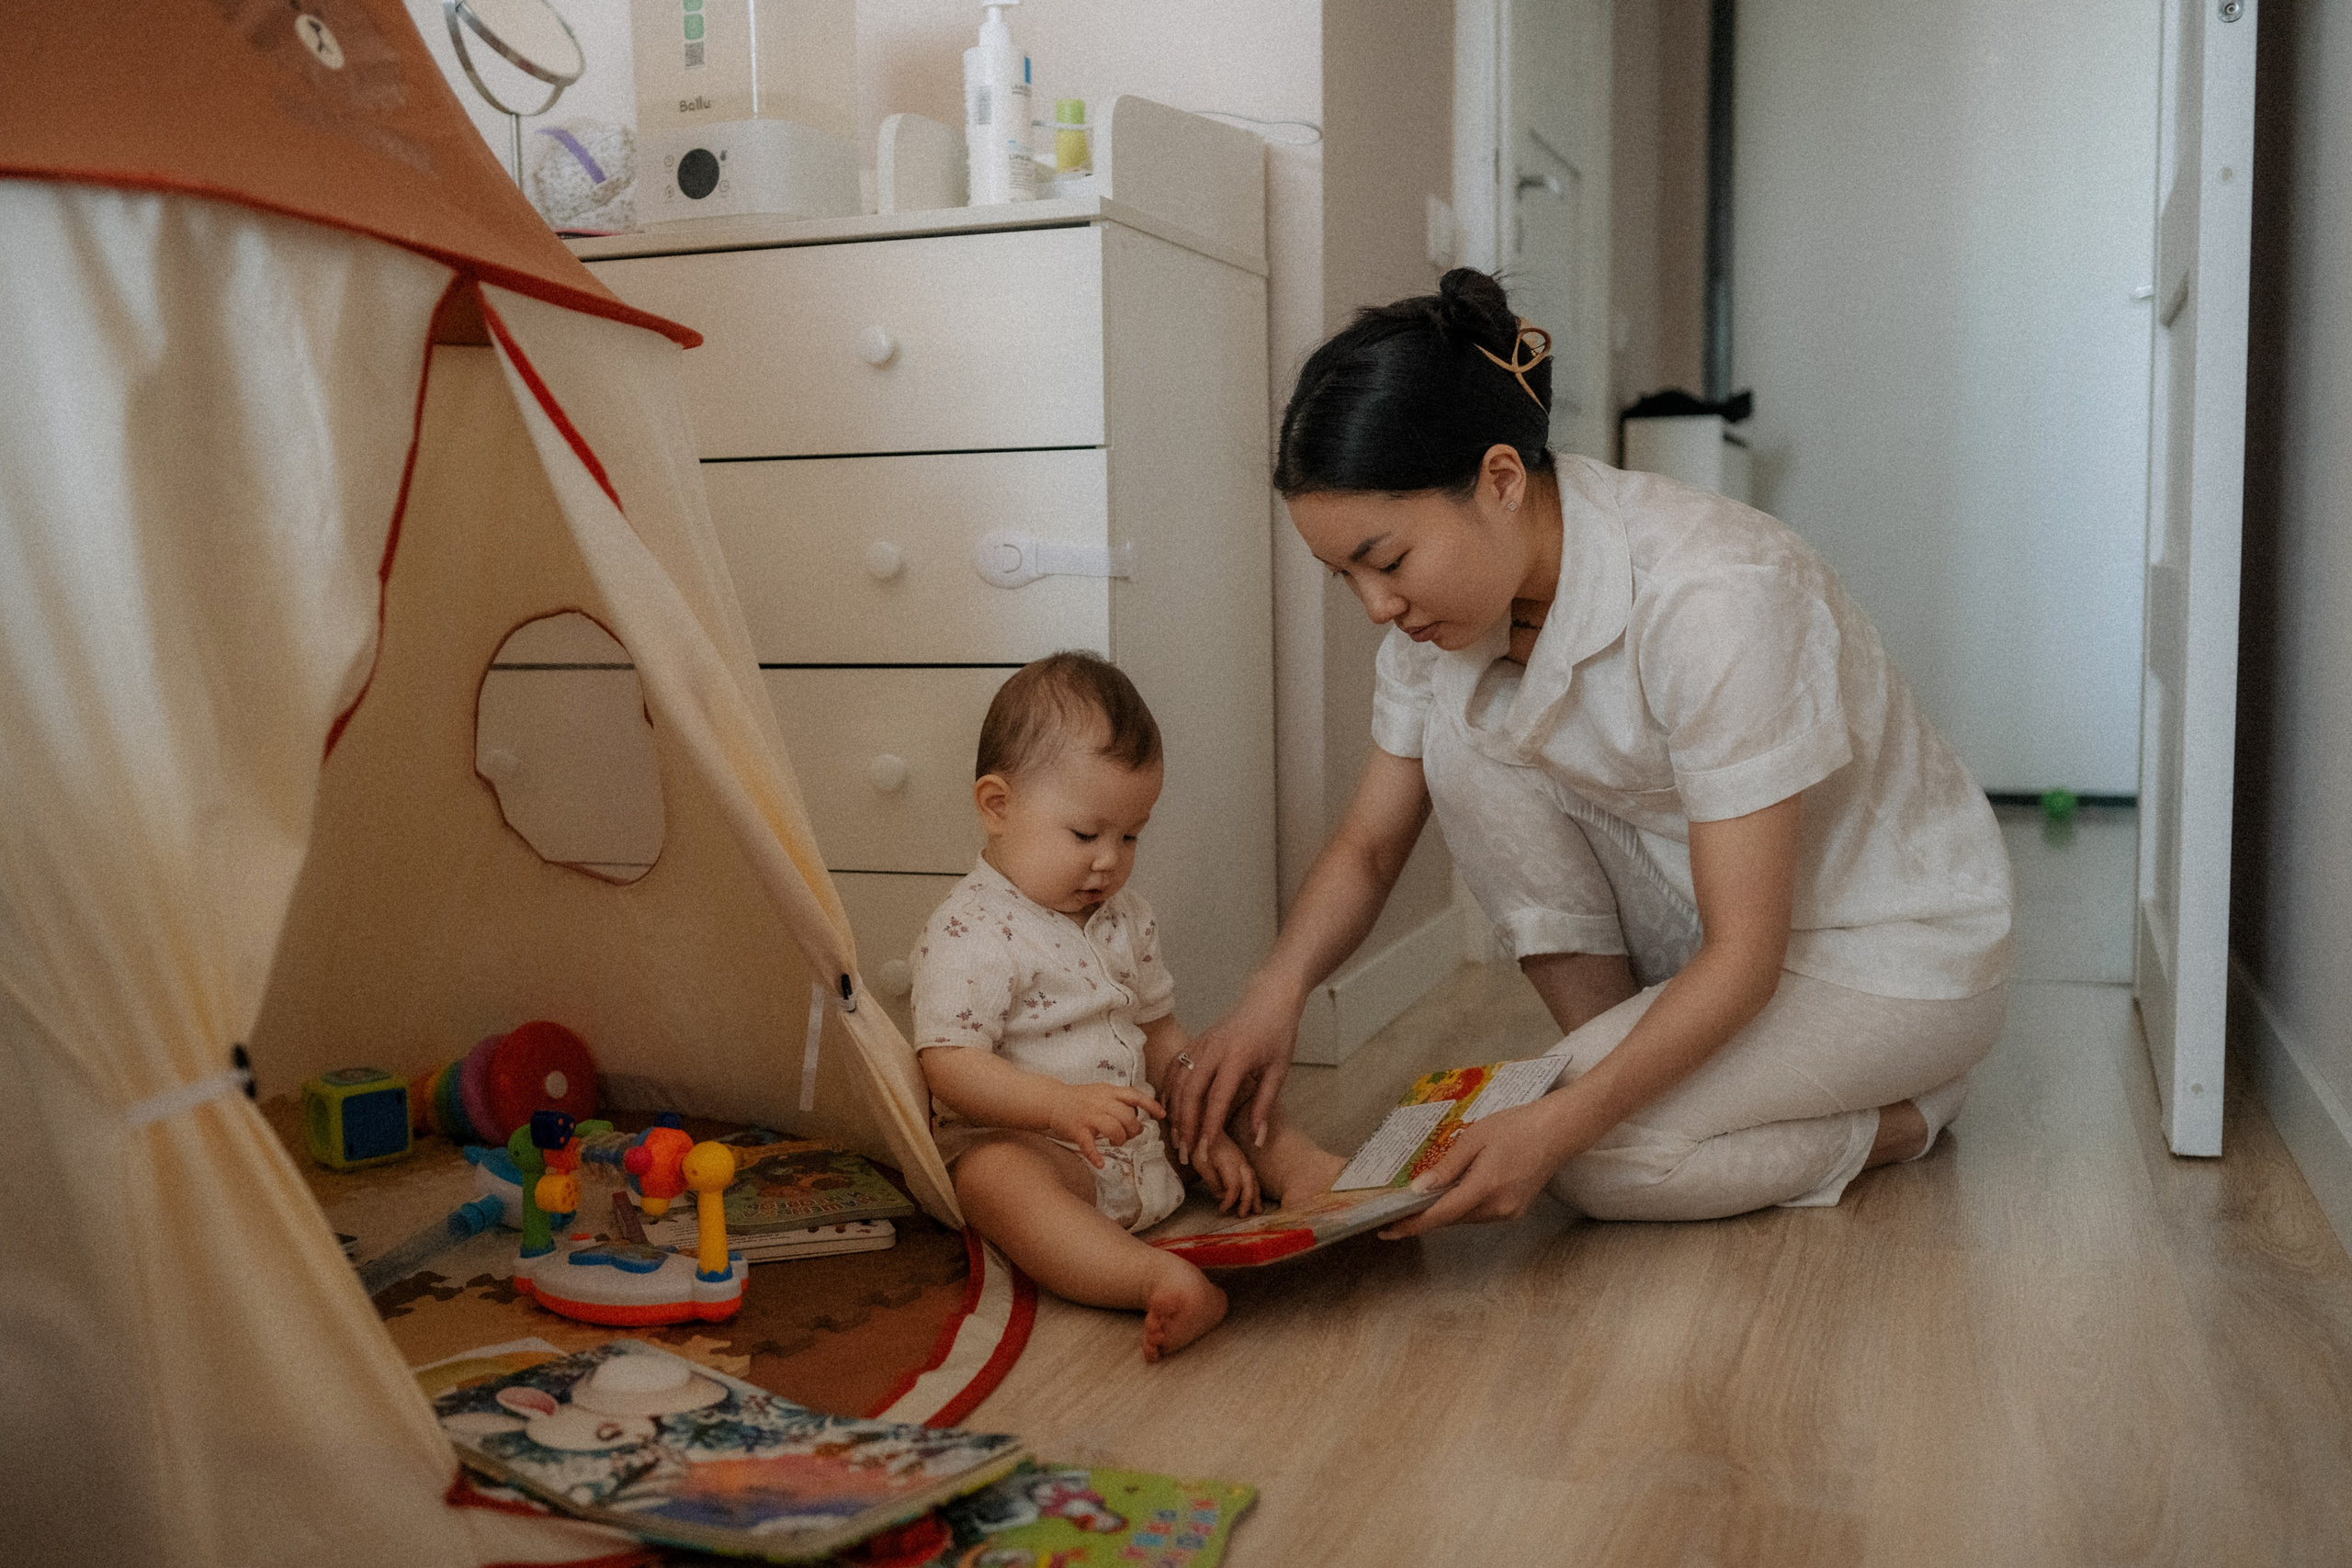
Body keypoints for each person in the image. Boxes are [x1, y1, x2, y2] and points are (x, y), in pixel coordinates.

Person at [1169, 268, 2013, 1235]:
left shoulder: (1717, 596)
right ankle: (1641, 1066)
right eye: (1343, 576)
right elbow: (1367, 846)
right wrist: (1271, 994)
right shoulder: (1441, 620)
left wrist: (1565, 1124)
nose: (1376, 606)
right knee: (1463, 731)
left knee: (1599, 1165)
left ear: (1498, 478)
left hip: (1887, 952)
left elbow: (1746, 955)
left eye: (1388, 560)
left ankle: (1902, 1118)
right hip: (1720, 939)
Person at [912, 652, 1343, 1358]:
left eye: (1131, 834)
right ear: (998, 806)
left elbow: (1159, 1031)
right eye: (1087, 834)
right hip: (1053, 1154)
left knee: (1214, 1068)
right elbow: (949, 1065)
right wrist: (1056, 1106)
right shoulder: (970, 931)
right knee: (991, 1179)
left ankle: (1299, 1168)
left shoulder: (1125, 916)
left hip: (1138, 1131)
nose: (1109, 860)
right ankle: (1152, 1277)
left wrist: (1206, 1123)